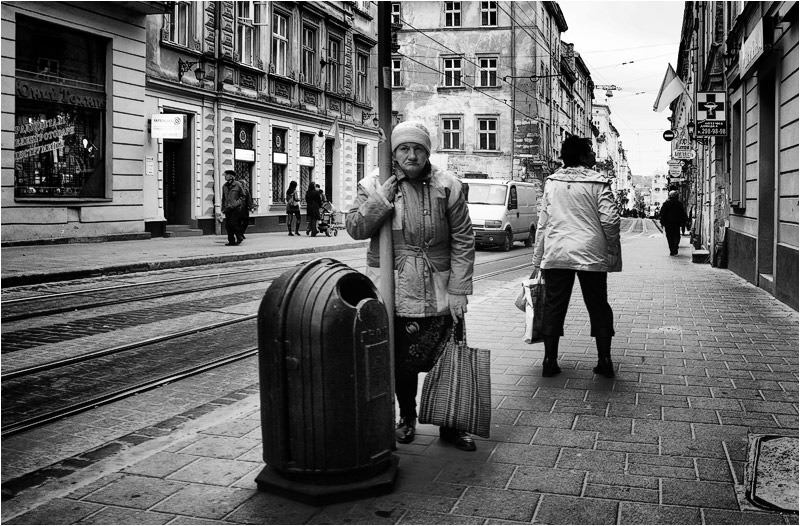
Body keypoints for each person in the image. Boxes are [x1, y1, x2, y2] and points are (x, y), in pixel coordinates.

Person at [346, 121, 476, 452]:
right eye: (404, 148)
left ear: (428, 152)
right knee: (399, 360)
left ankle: (452, 423)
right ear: (394, 152)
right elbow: (355, 228)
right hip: (393, 286)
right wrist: (381, 199)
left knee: (450, 355)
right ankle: (406, 417)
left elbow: (463, 239)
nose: (412, 154)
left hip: (439, 286)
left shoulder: (448, 185)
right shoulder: (374, 183)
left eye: (419, 148)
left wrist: (460, 290)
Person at [532, 136, 622, 379]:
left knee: (553, 305)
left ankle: (549, 360)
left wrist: (537, 258)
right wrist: (612, 249)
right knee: (598, 305)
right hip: (591, 253)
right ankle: (604, 360)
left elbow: (543, 223)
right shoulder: (598, 182)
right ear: (583, 157)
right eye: (591, 151)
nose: (594, 155)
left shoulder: (551, 183)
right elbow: (611, 221)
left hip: (557, 252)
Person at [660, 190, 688, 256]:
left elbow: (662, 213)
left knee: (669, 237)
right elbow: (682, 213)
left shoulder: (666, 203)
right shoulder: (679, 203)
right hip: (676, 223)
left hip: (668, 223)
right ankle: (675, 247)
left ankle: (672, 250)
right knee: (676, 236)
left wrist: (662, 222)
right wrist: (683, 221)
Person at [221, 170, 245, 246]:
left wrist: (237, 203)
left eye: (226, 175)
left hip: (236, 208)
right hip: (228, 208)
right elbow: (224, 198)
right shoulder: (224, 186)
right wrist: (223, 207)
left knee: (233, 223)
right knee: (227, 225)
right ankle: (231, 241)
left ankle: (239, 236)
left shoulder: (238, 184)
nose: (225, 176)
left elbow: (243, 196)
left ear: (231, 176)